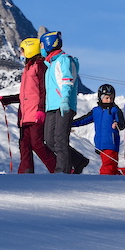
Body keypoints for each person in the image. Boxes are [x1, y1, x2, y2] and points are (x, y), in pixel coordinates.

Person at [0, 38, 56, 173]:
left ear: (30, 49)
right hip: (24, 115)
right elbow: (26, 94)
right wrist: (8, 99)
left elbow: (43, 90)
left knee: (37, 144)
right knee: (24, 145)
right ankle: (25, 173)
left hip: (35, 113)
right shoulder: (27, 68)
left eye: (23, 50)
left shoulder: (40, 66)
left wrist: (41, 110)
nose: (21, 53)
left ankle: (57, 168)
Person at [41, 31, 89, 174]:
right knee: (49, 140)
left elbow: (67, 81)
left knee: (60, 138)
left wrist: (65, 100)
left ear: (50, 44)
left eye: (42, 45)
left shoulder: (64, 60)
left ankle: (63, 170)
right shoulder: (50, 64)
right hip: (52, 107)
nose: (41, 48)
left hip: (63, 105)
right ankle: (79, 160)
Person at [72, 84, 125, 175]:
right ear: (100, 97)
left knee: (108, 165)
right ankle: (118, 179)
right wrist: (70, 123)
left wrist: (118, 124)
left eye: (111, 98)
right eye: (107, 98)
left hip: (111, 143)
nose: (109, 100)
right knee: (109, 165)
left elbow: (122, 123)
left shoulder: (114, 110)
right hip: (100, 144)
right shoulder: (96, 111)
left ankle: (104, 180)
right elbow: (84, 120)